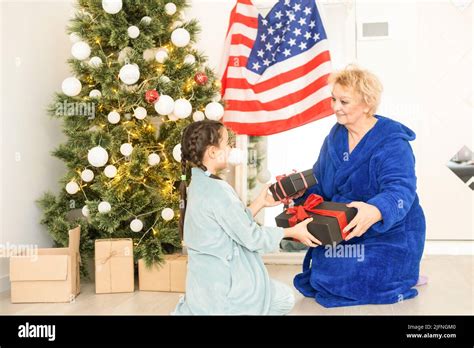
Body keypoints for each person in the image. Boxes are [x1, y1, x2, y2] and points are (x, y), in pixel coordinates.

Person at [292, 65, 426, 307]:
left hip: (391, 231)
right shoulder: (335, 137)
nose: (335, 107)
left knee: (357, 276)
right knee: (325, 270)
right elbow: (322, 180)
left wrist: (376, 210)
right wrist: (303, 191)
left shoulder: (392, 142)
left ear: (366, 104)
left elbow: (401, 190)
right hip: (348, 227)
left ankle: (407, 272)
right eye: (333, 99)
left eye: (343, 101)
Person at [172, 120, 320, 315]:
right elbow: (251, 237)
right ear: (213, 152)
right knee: (284, 298)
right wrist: (291, 232)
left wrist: (260, 202)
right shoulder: (217, 191)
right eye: (226, 143)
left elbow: (231, 224)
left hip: (204, 289)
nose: (231, 147)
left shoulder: (199, 184)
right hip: (225, 288)